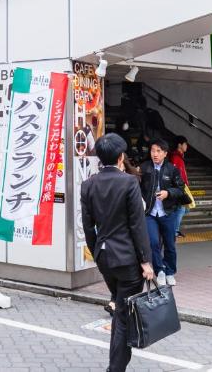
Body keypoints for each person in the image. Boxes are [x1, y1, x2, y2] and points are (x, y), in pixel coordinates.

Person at [81, 133, 156, 372]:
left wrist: (96, 251)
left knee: (120, 309)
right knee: (123, 316)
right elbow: (137, 225)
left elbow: (87, 226)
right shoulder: (129, 182)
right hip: (127, 259)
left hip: (105, 258)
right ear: (121, 157)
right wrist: (146, 261)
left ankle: (116, 365)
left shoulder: (88, 184)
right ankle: (116, 368)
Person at [138, 138, 186, 286]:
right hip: (150, 213)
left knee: (170, 244)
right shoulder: (144, 168)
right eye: (153, 150)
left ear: (165, 153)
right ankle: (160, 271)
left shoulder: (172, 169)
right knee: (153, 243)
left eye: (158, 151)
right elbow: (137, 187)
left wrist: (168, 193)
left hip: (168, 212)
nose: (155, 154)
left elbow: (180, 189)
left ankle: (170, 272)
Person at [168, 136, 191, 238]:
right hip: (178, 187)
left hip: (183, 186)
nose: (186, 146)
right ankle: (174, 231)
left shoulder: (180, 157)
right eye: (185, 144)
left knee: (185, 208)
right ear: (179, 145)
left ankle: (173, 229)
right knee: (181, 208)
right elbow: (174, 173)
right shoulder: (175, 157)